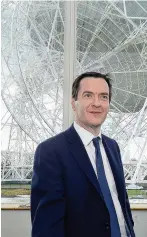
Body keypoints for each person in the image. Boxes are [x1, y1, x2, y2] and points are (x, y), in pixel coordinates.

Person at [31, 72, 136, 237]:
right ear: (74, 103)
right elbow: (47, 226)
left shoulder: (113, 147)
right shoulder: (51, 151)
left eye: (103, 97)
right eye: (88, 95)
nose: (96, 103)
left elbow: (121, 202)